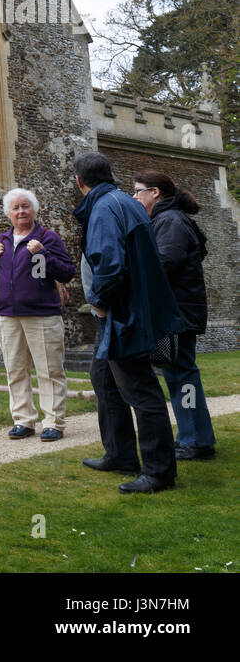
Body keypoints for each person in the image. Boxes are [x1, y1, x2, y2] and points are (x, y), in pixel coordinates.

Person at [73, 151, 186, 493]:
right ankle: (120, 453)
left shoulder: (106, 208)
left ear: (80, 182)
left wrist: (101, 302)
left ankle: (159, 471)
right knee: (104, 379)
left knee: (140, 389)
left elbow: (109, 262)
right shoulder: (126, 201)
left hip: (124, 315)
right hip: (132, 312)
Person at [132, 170, 216, 460]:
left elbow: (165, 262)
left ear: (155, 192)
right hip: (170, 314)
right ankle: (190, 436)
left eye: (138, 190)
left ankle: (198, 441)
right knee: (175, 373)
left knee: (182, 375)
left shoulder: (170, 220)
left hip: (176, 317)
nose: (134, 196)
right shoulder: (165, 219)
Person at [0, 188, 75, 442]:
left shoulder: (47, 237)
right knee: (15, 370)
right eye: (16, 208)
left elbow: (67, 272)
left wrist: (42, 254)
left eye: (26, 206)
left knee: (49, 370)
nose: (21, 211)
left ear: (34, 210)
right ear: (8, 214)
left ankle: (53, 422)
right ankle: (23, 420)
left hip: (42, 315)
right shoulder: (1, 240)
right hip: (8, 316)